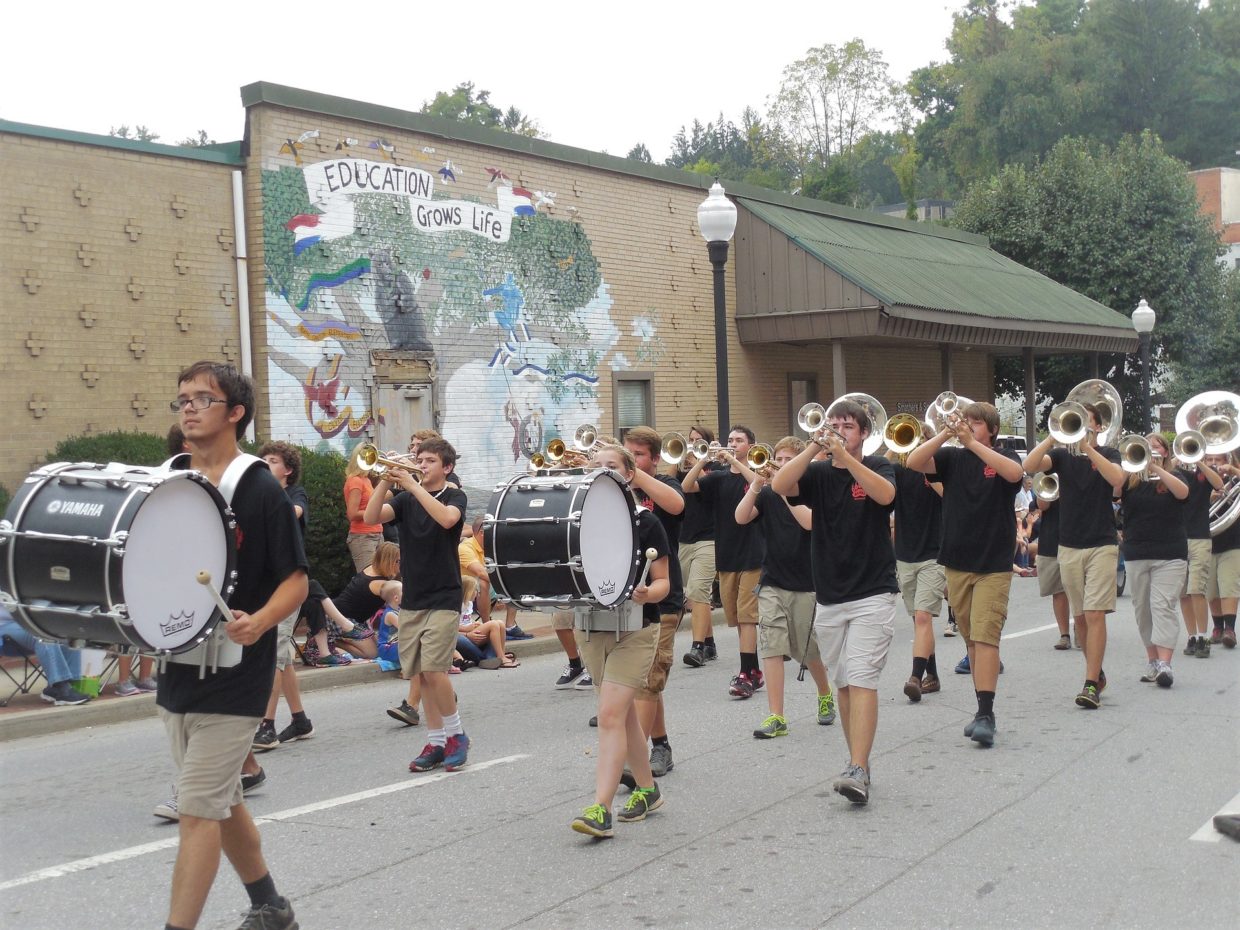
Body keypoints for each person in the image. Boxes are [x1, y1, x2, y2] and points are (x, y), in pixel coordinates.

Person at [158, 360, 307, 930]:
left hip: (238, 669)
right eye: (183, 398)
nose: (189, 407)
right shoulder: (171, 475)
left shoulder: (259, 486)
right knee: (222, 802)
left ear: (235, 412)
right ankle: (270, 905)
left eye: (202, 398)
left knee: (196, 808)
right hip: (178, 663)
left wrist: (262, 621)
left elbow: (296, 579)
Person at [772, 400, 897, 804]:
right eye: (835, 424)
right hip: (829, 595)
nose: (840, 430)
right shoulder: (818, 472)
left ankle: (858, 767)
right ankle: (856, 762)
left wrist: (845, 456)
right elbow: (780, 486)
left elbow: (885, 497)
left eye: (848, 425)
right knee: (842, 682)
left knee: (861, 678)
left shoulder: (877, 467)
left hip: (873, 592)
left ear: (863, 433)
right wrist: (814, 447)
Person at [907, 401, 1023, 746]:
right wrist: (945, 432)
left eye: (974, 422)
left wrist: (971, 443)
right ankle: (980, 708)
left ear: (991, 428)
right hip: (957, 561)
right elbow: (914, 462)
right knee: (971, 638)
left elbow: (1015, 476)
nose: (967, 426)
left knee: (986, 636)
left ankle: (987, 714)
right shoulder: (951, 458)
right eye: (965, 421)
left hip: (993, 563)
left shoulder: (1004, 458)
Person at [571, 444, 671, 838]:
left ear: (629, 475)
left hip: (636, 630)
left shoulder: (646, 523)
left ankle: (600, 808)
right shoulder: (576, 520)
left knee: (611, 714)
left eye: (612, 466)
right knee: (624, 714)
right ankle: (647, 789)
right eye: (596, 466)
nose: (603, 471)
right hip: (590, 627)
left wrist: (649, 592)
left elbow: (663, 582)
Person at [363, 436, 471, 773]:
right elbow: (369, 516)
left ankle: (457, 735)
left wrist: (411, 482)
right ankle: (436, 740)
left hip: (444, 595)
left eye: (429, 461)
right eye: (418, 460)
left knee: (434, 669)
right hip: (413, 597)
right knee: (421, 674)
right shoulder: (406, 499)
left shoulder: (454, 495)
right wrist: (384, 479)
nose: (421, 465)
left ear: (447, 467)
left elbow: (447, 520)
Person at [1024, 403, 1125, 709]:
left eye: (1086, 422)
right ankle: (1096, 670)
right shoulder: (1060, 456)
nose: (1081, 426)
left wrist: (1088, 449)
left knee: (1094, 614)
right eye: (1077, 422)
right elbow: (1028, 465)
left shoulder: (1108, 454)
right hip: (1068, 545)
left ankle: (1090, 683)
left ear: (1097, 426)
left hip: (1102, 543)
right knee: (1080, 617)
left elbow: (1117, 480)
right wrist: (1051, 438)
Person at [735, 436, 835, 738]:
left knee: (809, 650)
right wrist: (757, 486)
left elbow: (809, 524)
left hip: (807, 582)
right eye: (777, 459)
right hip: (772, 581)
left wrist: (784, 492)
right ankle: (776, 715)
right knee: (772, 646)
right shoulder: (766, 495)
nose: (779, 465)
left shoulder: (811, 493)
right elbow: (740, 518)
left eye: (788, 460)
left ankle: (824, 693)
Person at [682, 425, 766, 697]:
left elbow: (760, 484)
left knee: (748, 617)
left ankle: (746, 673)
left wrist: (732, 460)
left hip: (754, 552)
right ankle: (752, 670)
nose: (732, 444)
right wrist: (703, 459)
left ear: (751, 446)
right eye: (730, 440)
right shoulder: (717, 478)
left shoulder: (756, 473)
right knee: (739, 620)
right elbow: (687, 486)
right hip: (727, 553)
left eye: (739, 440)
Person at [623, 427, 685, 778]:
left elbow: (676, 505)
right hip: (624, 597)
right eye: (628, 454)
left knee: (649, 678)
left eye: (639, 455)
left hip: (663, 596)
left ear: (655, 459)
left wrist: (636, 476)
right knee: (645, 677)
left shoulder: (665, 486)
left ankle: (637, 762)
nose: (632, 461)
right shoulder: (614, 489)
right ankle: (661, 745)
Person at [251, 441, 316, 751]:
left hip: (289, 585)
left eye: (273, 460)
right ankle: (300, 719)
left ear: (288, 470)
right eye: (262, 459)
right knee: (282, 657)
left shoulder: (294, 494)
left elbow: (295, 511)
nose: (265, 463)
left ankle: (266, 725)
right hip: (265, 586)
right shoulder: (259, 498)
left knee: (274, 653)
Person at [1119, 436, 1189, 687]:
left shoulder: (1176, 475)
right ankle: (1152, 660)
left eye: (1156, 447)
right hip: (1137, 551)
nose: (1151, 451)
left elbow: (1183, 493)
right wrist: (1131, 466)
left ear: (1166, 452)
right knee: (1142, 609)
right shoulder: (1130, 477)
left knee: (1163, 606)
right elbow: (1115, 491)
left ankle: (1165, 665)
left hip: (1171, 553)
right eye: (1146, 448)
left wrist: (1157, 467)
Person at [888, 431, 945, 702]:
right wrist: (892, 445)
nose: (915, 446)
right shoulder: (898, 470)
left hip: (934, 553)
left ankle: (915, 677)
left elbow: (949, 495)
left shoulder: (937, 470)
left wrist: (928, 471)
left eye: (921, 441)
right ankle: (932, 674)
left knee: (923, 617)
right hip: (905, 554)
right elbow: (878, 473)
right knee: (918, 620)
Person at [678, 425, 722, 667]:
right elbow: (678, 482)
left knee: (697, 591)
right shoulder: (684, 466)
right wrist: (679, 458)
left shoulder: (716, 468)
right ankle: (710, 644)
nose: (693, 443)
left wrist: (700, 461)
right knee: (696, 596)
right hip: (685, 536)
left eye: (698, 440)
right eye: (690, 439)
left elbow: (701, 486)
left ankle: (697, 648)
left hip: (709, 537)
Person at [1178, 446, 1225, 657]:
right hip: (1177, 539)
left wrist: (1199, 461)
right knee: (1183, 593)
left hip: (1199, 538)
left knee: (1196, 589)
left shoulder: (1203, 475)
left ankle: (1203, 636)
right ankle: (1192, 636)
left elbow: (1219, 484)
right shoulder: (1175, 472)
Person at [0, 607, 89, 706]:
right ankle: (60, 686)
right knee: (43, 635)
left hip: (33, 621)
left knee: (67, 631)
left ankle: (71, 684)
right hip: (5, 625)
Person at [1206, 452, 1240, 648]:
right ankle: (1217, 627)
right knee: (1211, 589)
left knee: (1228, 586)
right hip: (1208, 541)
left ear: (1226, 462)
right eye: (1209, 460)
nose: (1213, 463)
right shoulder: (1201, 482)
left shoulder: (1234, 481)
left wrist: (1233, 470)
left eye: (1217, 460)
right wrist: (1208, 497)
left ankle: (1230, 629)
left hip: (1233, 541)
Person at [1032, 494, 1073, 651]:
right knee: (1058, 591)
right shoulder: (1046, 474)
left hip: (1077, 535)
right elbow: (1042, 505)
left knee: (1080, 589)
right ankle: (1064, 635)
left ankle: (1081, 625)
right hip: (1051, 538)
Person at [344, 452, 384, 572]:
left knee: (382, 576)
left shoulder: (365, 480)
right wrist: (376, 512)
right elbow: (352, 514)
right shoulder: (355, 481)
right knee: (369, 579)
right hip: (363, 536)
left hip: (376, 533)